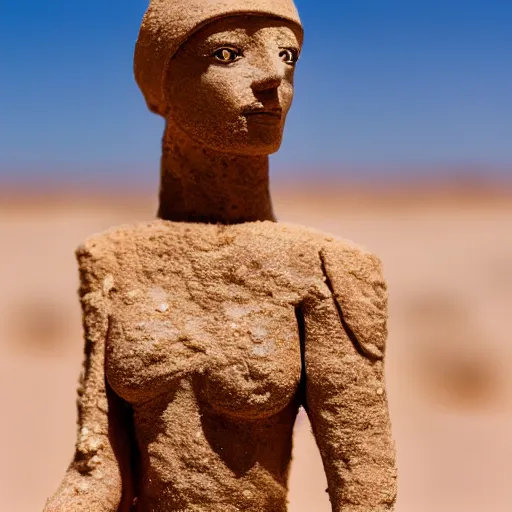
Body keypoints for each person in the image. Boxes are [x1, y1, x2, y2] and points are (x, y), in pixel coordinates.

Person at [44, 1, 397, 510]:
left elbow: (363, 481)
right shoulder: (111, 260)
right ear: (163, 83)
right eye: (228, 54)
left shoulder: (326, 269)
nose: (274, 75)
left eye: (288, 56)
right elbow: (97, 468)